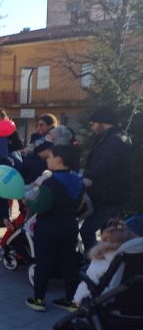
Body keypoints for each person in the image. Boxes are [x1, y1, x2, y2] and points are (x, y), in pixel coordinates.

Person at [25, 144, 84, 312]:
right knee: (69, 263)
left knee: (43, 262)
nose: (47, 160)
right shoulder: (78, 180)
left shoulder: (50, 182)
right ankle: (71, 300)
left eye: (49, 157)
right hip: (70, 225)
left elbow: (41, 207)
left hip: (48, 227)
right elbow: (79, 205)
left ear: (59, 160)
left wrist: (28, 201)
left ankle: (38, 300)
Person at [80, 107, 133, 254]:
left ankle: (96, 260)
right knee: (108, 234)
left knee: (89, 230)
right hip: (104, 194)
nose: (92, 127)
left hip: (110, 196)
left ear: (102, 122)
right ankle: (103, 261)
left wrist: (89, 176)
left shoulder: (116, 140)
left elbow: (107, 162)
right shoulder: (108, 138)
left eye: (93, 123)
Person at [73, 219, 137, 306]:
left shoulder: (102, 258)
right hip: (133, 299)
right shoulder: (135, 254)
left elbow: (91, 280)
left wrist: (78, 299)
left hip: (105, 300)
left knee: (85, 276)